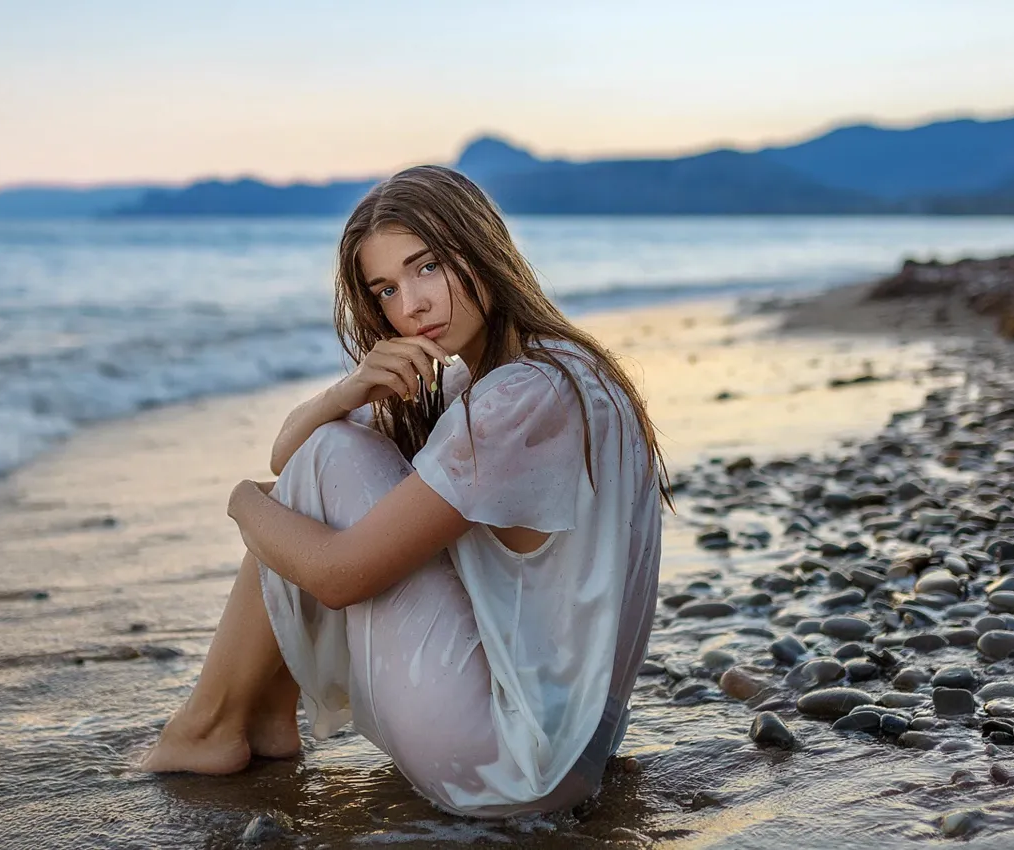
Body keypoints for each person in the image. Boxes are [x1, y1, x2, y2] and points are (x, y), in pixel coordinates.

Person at [140, 165, 669, 817]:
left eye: (427, 268)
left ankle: (211, 724)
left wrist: (241, 499)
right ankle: (257, 716)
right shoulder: (547, 372)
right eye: (385, 288)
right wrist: (348, 390)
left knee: (325, 465)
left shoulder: (514, 403)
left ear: (482, 246)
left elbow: (337, 575)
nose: (410, 305)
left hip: (509, 765)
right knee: (330, 453)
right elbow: (299, 459)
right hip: (572, 744)